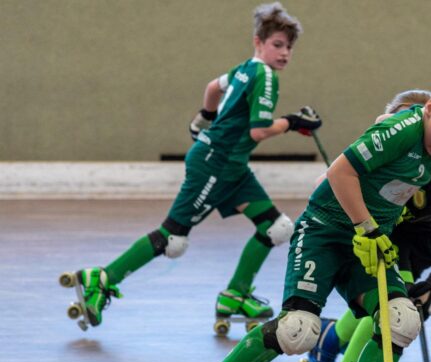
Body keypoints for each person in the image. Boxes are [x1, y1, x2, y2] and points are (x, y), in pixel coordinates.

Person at [161, 76, 431, 362]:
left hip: (366, 243)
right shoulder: (403, 129)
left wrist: (398, 252)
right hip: (324, 232)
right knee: (297, 330)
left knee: (402, 319)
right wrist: (368, 227)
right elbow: (339, 173)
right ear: (430, 108)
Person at [60, 3, 321, 333]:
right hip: (216, 165)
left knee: (276, 228)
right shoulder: (265, 76)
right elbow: (259, 131)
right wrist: (293, 122)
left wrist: (204, 118)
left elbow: (213, 88)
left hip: (231, 167)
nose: (284, 53)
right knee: (172, 238)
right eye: (278, 45)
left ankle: (235, 295)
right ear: (258, 42)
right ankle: (101, 278)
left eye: (289, 47)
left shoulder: (244, 69)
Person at [294, 89, 431, 362]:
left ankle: (332, 344)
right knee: (383, 307)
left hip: (414, 244)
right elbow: (327, 182)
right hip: (377, 234)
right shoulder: (388, 145)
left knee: (395, 309)